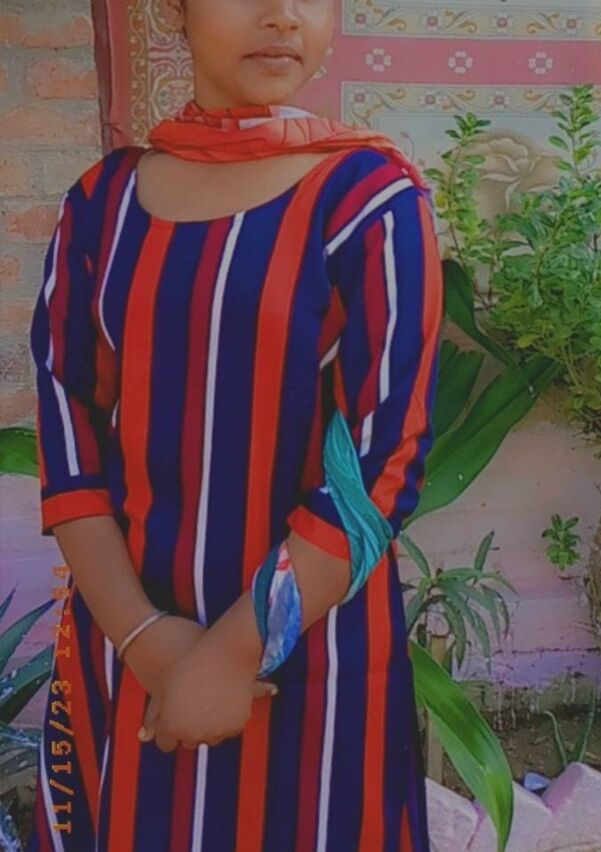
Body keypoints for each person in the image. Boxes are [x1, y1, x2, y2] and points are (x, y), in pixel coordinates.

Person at [26, 0, 444, 848]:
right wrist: (148, 642)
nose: (282, 16)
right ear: (174, 11)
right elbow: (69, 442)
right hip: (128, 640)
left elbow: (383, 462)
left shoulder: (369, 202)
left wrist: (231, 653)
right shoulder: (102, 206)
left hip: (312, 662)